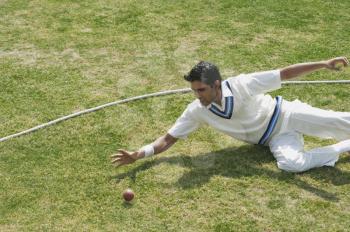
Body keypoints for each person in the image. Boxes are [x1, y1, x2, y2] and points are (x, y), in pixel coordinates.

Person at [111, 57, 350, 173]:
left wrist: (323, 64)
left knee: (340, 121)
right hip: (272, 139)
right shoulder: (196, 111)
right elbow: (168, 139)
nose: (197, 95)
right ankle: (344, 147)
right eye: (194, 90)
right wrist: (139, 154)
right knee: (291, 165)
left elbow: (284, 74)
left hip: (287, 115)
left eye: (201, 89)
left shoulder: (242, 84)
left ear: (216, 84)